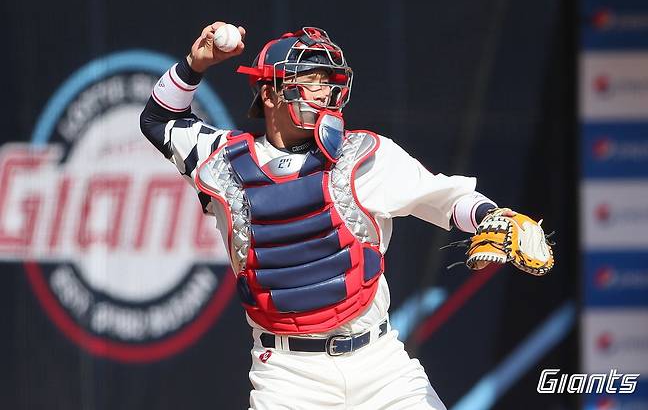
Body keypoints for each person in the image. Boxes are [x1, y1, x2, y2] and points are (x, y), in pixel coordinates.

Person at [140, 21, 503, 410]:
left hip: (380, 366)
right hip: (288, 376)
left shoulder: (359, 155)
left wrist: (492, 219)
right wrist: (195, 65)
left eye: (330, 81)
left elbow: (446, 199)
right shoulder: (220, 160)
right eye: (311, 80)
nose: (326, 92)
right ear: (269, 92)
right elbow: (157, 121)